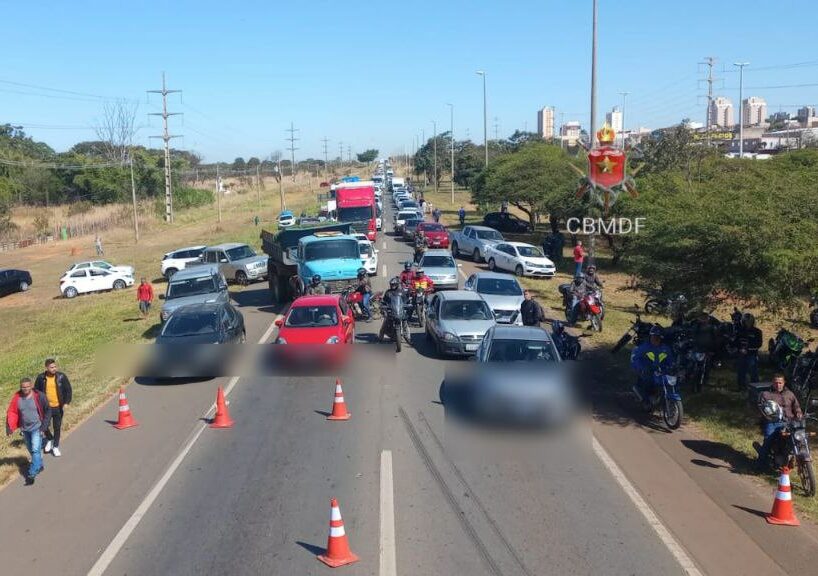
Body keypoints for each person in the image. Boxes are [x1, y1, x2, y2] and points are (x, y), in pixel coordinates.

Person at [6, 377, 51, 485]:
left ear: (31, 386)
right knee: (31, 449)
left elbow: (47, 411)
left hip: (37, 428)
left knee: (35, 450)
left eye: (27, 387)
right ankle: (39, 465)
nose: (25, 389)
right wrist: (9, 427)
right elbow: (12, 412)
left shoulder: (39, 396)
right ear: (20, 387)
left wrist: (43, 428)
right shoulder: (17, 398)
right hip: (25, 429)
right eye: (23, 387)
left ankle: (31, 473)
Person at [754, 374, 803, 470]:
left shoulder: (790, 394)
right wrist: (768, 416)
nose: (778, 385)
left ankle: (794, 457)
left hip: (790, 422)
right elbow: (761, 409)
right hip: (773, 422)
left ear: (784, 383)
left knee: (800, 438)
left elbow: (796, 406)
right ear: (772, 383)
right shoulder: (766, 394)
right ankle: (760, 464)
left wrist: (799, 413)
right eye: (776, 383)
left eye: (780, 382)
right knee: (768, 440)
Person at [34, 359, 72, 458]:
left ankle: (55, 447)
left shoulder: (61, 377)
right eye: (51, 367)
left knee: (57, 427)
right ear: (46, 367)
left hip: (58, 407)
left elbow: (68, 390)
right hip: (46, 408)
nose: (54, 369)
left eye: (55, 367)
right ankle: (50, 439)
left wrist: (66, 403)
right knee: (44, 426)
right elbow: (36, 393)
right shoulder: (41, 378)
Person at [630, 325, 674, 409]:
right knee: (648, 382)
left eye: (657, 337)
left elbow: (670, 361)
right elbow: (636, 359)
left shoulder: (665, 349)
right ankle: (646, 400)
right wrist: (642, 368)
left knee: (669, 382)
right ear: (650, 336)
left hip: (661, 372)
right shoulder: (644, 347)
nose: (655, 338)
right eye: (653, 336)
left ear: (661, 338)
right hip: (647, 371)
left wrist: (673, 367)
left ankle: (662, 399)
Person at [736, 313, 763, 390]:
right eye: (746, 321)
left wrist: (748, 349)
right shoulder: (740, 331)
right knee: (741, 371)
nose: (747, 323)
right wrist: (739, 348)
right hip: (741, 354)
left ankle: (755, 388)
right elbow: (736, 342)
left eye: (749, 321)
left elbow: (759, 344)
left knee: (753, 372)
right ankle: (741, 387)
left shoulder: (757, 332)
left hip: (752, 355)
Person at [379, 277, 405, 342]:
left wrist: (407, 305)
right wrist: (382, 305)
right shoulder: (388, 292)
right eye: (392, 284)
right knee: (385, 322)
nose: (393, 286)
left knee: (405, 322)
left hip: (399, 310)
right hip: (391, 310)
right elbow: (384, 301)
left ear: (397, 285)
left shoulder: (401, 292)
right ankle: (381, 336)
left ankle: (409, 337)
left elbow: (405, 300)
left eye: (394, 284)